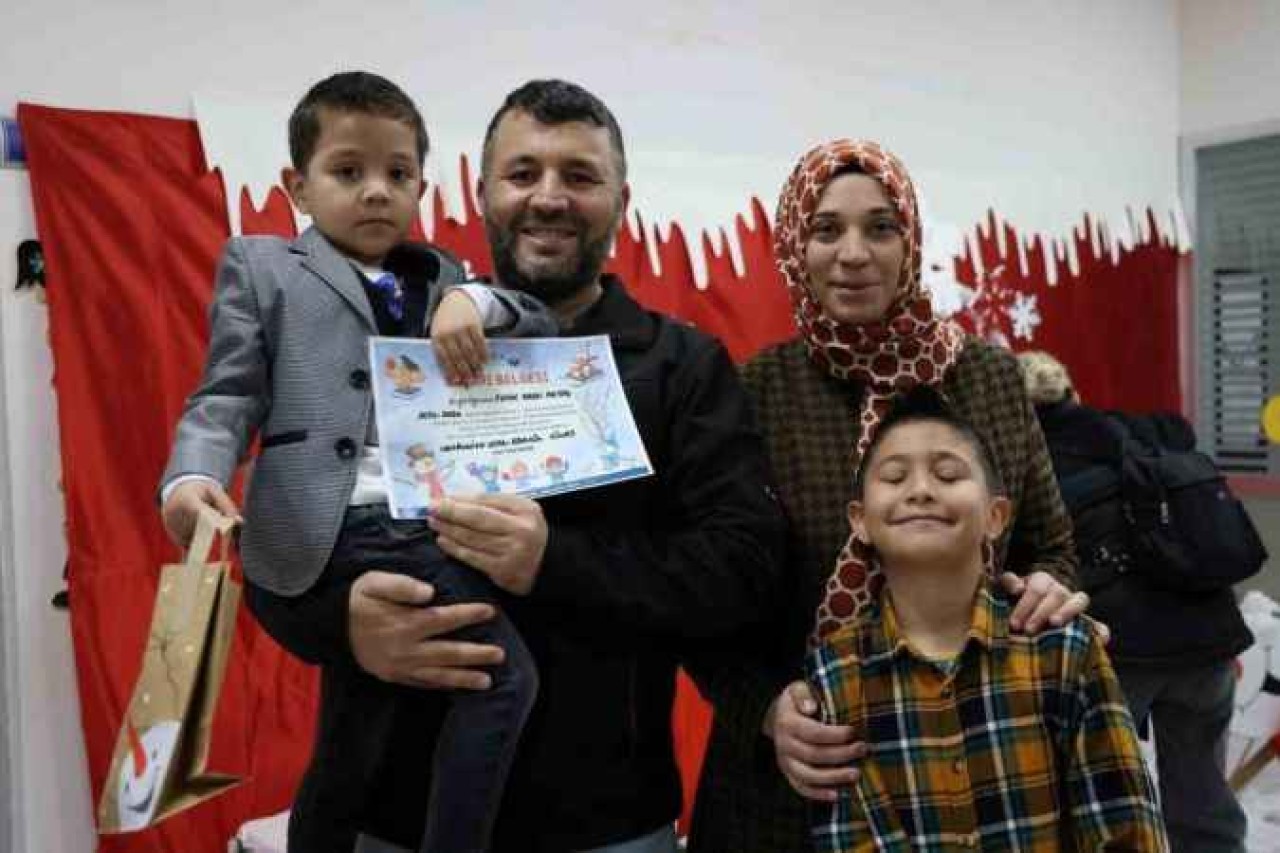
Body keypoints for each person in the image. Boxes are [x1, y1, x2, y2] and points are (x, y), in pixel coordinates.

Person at [245, 78, 787, 853]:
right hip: (391, 818)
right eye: (523, 173)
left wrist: (554, 558)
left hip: (605, 824)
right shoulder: (384, 340)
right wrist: (339, 625)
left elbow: (742, 568)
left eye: (580, 176)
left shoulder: (682, 365)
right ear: (481, 193)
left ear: (622, 200)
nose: (550, 197)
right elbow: (278, 530)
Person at [158, 71, 560, 853]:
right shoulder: (263, 265)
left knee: (355, 731)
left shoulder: (442, 275)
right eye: (348, 171)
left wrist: (476, 302)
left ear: (421, 187)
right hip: (324, 524)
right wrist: (191, 475)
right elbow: (227, 393)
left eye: (398, 173)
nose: (377, 190)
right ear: (297, 187)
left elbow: (536, 320)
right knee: (505, 679)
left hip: (425, 518)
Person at [687, 139, 1085, 852]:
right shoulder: (754, 392)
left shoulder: (989, 379)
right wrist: (766, 709)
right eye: (826, 229)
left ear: (911, 241)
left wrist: (1047, 588)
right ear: (794, 246)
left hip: (970, 761)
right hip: (794, 781)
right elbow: (703, 589)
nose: (854, 253)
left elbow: (1049, 544)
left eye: (880, 227)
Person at [806, 386, 1167, 850]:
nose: (920, 490)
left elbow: (1125, 825)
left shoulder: (1063, 648)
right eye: (894, 477)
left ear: (996, 516)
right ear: (860, 521)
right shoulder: (836, 671)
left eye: (948, 474)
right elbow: (847, 836)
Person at [1020, 349, 1251, 853]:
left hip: (1120, 656)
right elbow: (1181, 431)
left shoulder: (1030, 466)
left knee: (1100, 803)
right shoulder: (1140, 435)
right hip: (1206, 640)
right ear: (1072, 392)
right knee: (1203, 798)